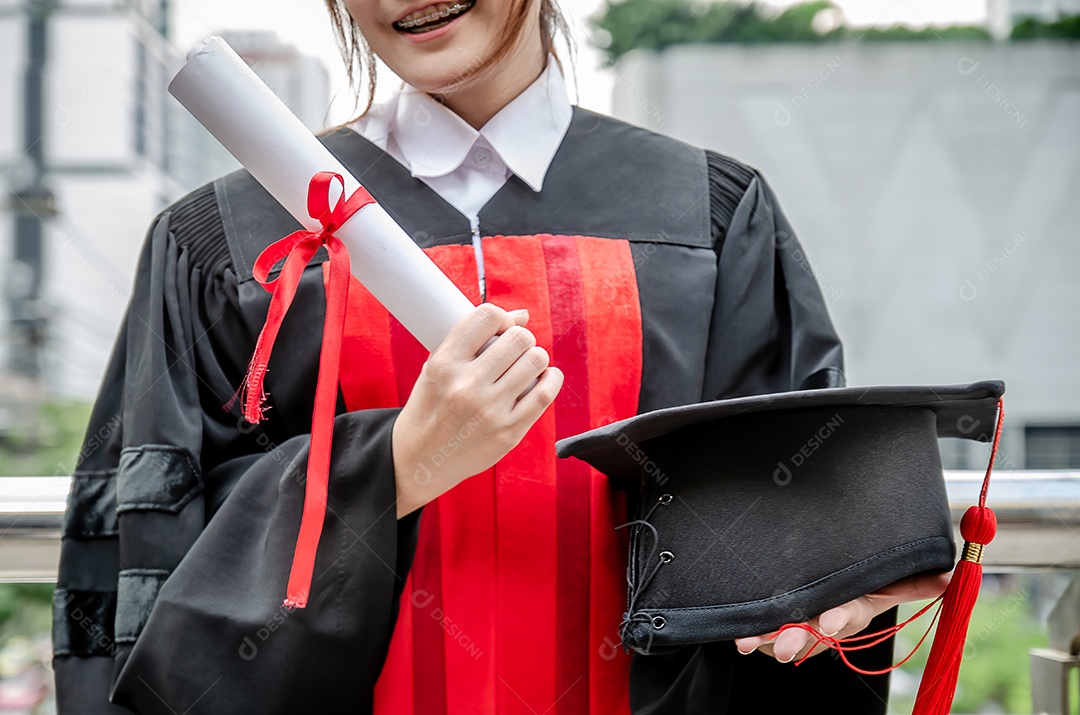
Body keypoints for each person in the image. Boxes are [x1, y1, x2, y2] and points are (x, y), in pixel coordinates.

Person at [52, 0, 947, 712]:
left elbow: (783, 515)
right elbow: (145, 571)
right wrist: (394, 467)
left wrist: (842, 571)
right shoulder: (226, 239)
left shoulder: (710, 216)